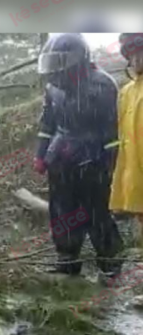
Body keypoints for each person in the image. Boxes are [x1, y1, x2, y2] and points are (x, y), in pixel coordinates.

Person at [35, 33, 123, 282]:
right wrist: (40, 154)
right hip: (60, 158)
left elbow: (112, 131)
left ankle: (110, 263)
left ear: (78, 61)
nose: (55, 72)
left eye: (60, 64)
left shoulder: (102, 85)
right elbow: (47, 124)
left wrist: (112, 163)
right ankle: (67, 259)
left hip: (93, 157)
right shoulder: (53, 88)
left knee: (98, 212)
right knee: (61, 210)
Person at [110, 33, 143, 244]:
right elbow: (124, 142)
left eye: (140, 54)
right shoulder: (126, 92)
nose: (136, 60)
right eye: (132, 56)